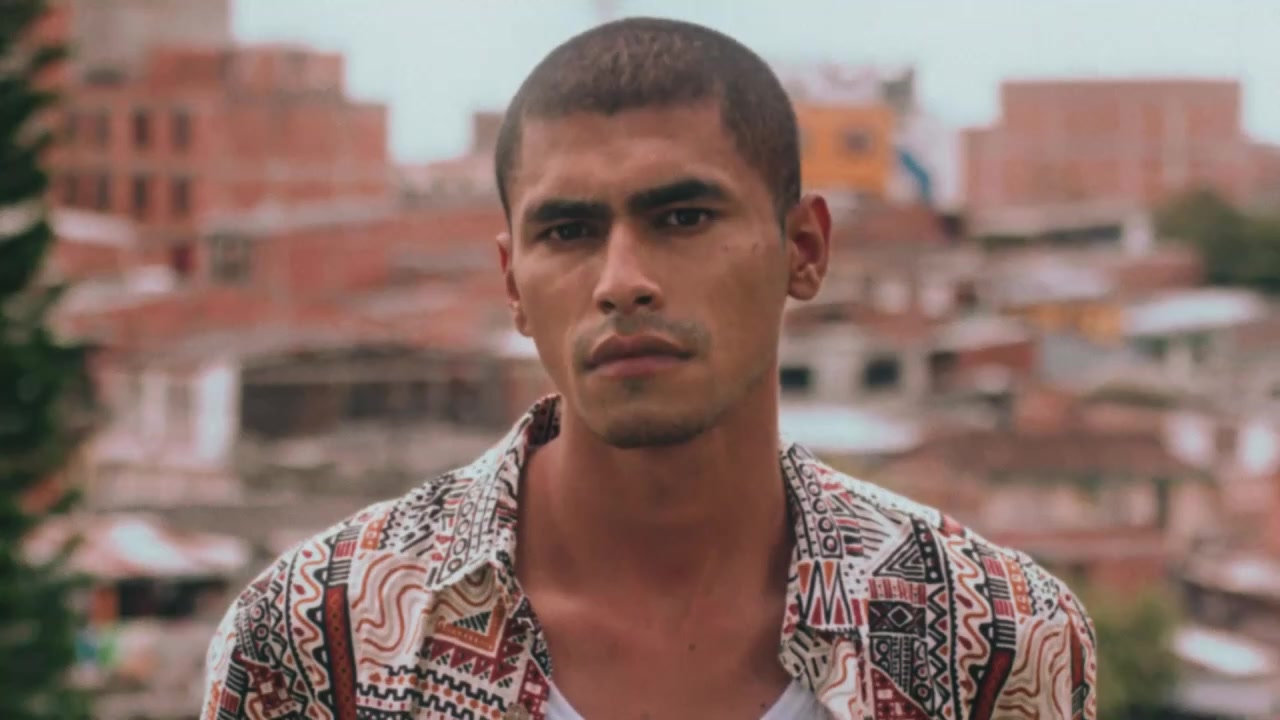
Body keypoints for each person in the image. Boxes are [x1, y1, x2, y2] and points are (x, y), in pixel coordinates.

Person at [201, 17, 1096, 720]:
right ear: (513, 285)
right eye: (569, 231)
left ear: (804, 249)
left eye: (683, 218)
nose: (622, 281)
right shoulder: (320, 640)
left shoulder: (990, 641)